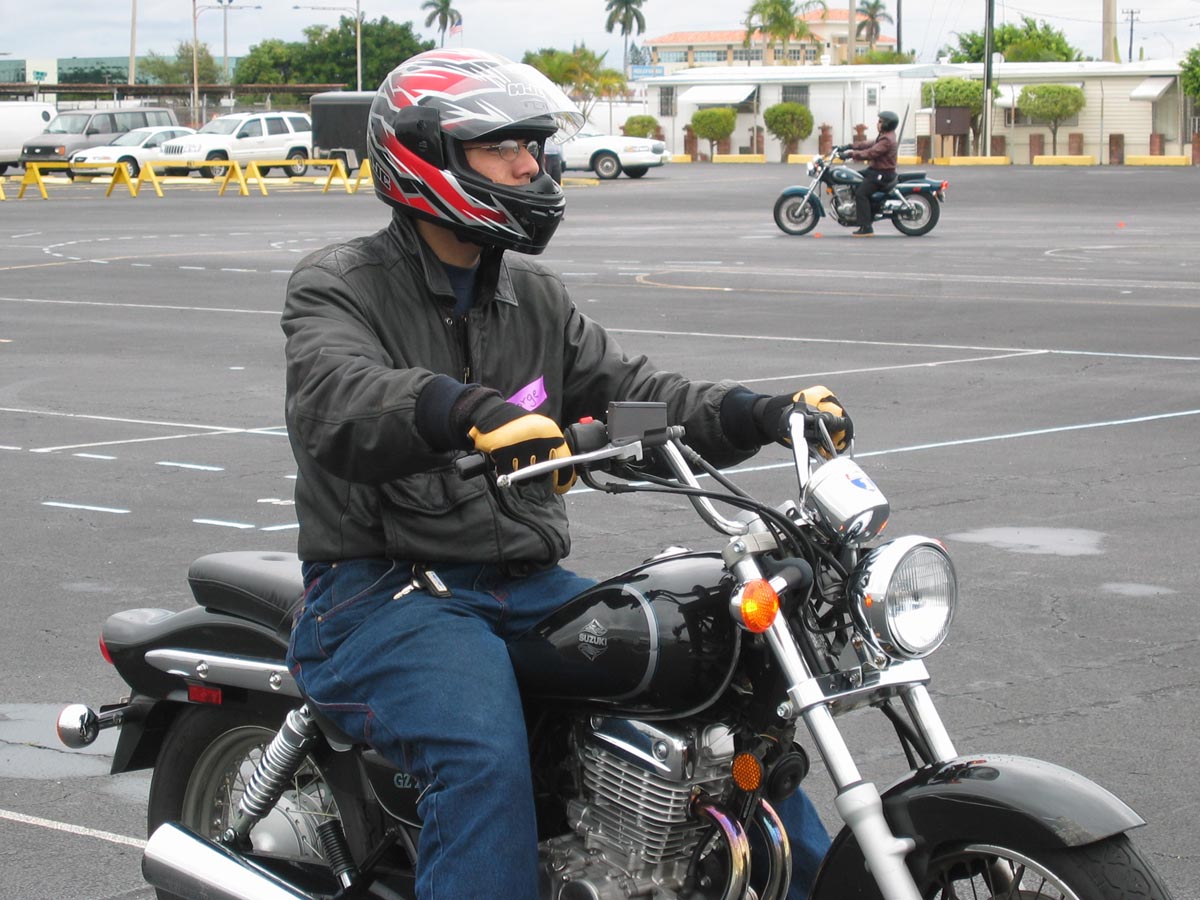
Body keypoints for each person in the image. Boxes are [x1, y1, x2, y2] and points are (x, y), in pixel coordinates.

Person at [282, 48, 848, 900]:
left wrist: (759, 412)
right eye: (502, 147)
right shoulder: (340, 286)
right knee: (481, 756)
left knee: (717, 697)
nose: (529, 166)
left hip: (523, 585)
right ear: (425, 155)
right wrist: (464, 411)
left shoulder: (534, 299)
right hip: (382, 592)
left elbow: (635, 396)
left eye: (534, 146)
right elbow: (338, 398)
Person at [843, 109, 900, 237]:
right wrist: (848, 146)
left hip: (882, 174)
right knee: (853, 178)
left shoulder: (887, 139)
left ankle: (866, 227)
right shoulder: (885, 136)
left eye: (880, 121)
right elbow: (869, 144)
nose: (877, 123)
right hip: (875, 170)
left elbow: (871, 153)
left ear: (887, 124)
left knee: (861, 193)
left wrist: (850, 154)